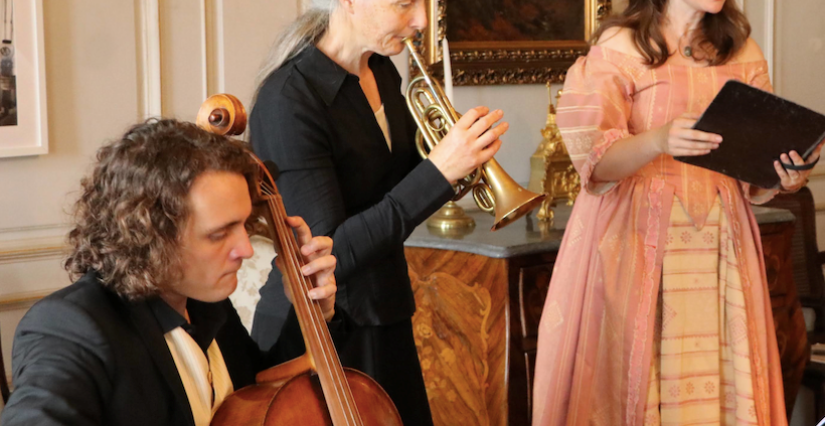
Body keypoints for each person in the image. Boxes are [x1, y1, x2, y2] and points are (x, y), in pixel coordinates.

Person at [531, 1, 823, 425]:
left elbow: (756, 170)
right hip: (635, 244)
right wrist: (659, 140)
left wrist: (788, 172)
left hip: (721, 244)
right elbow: (594, 163)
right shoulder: (620, 46)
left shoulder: (742, 51)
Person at [247, 0, 509, 424]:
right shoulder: (288, 100)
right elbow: (328, 255)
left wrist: (460, 161)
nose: (421, 20)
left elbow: (394, 189)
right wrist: (440, 172)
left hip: (387, 311)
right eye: (405, 3)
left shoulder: (382, 72)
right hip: (325, 333)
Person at [0, 119, 341, 426]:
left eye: (243, 224)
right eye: (219, 234)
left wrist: (311, 312)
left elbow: (260, 395)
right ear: (149, 235)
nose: (246, 249)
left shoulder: (205, 301)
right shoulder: (68, 328)